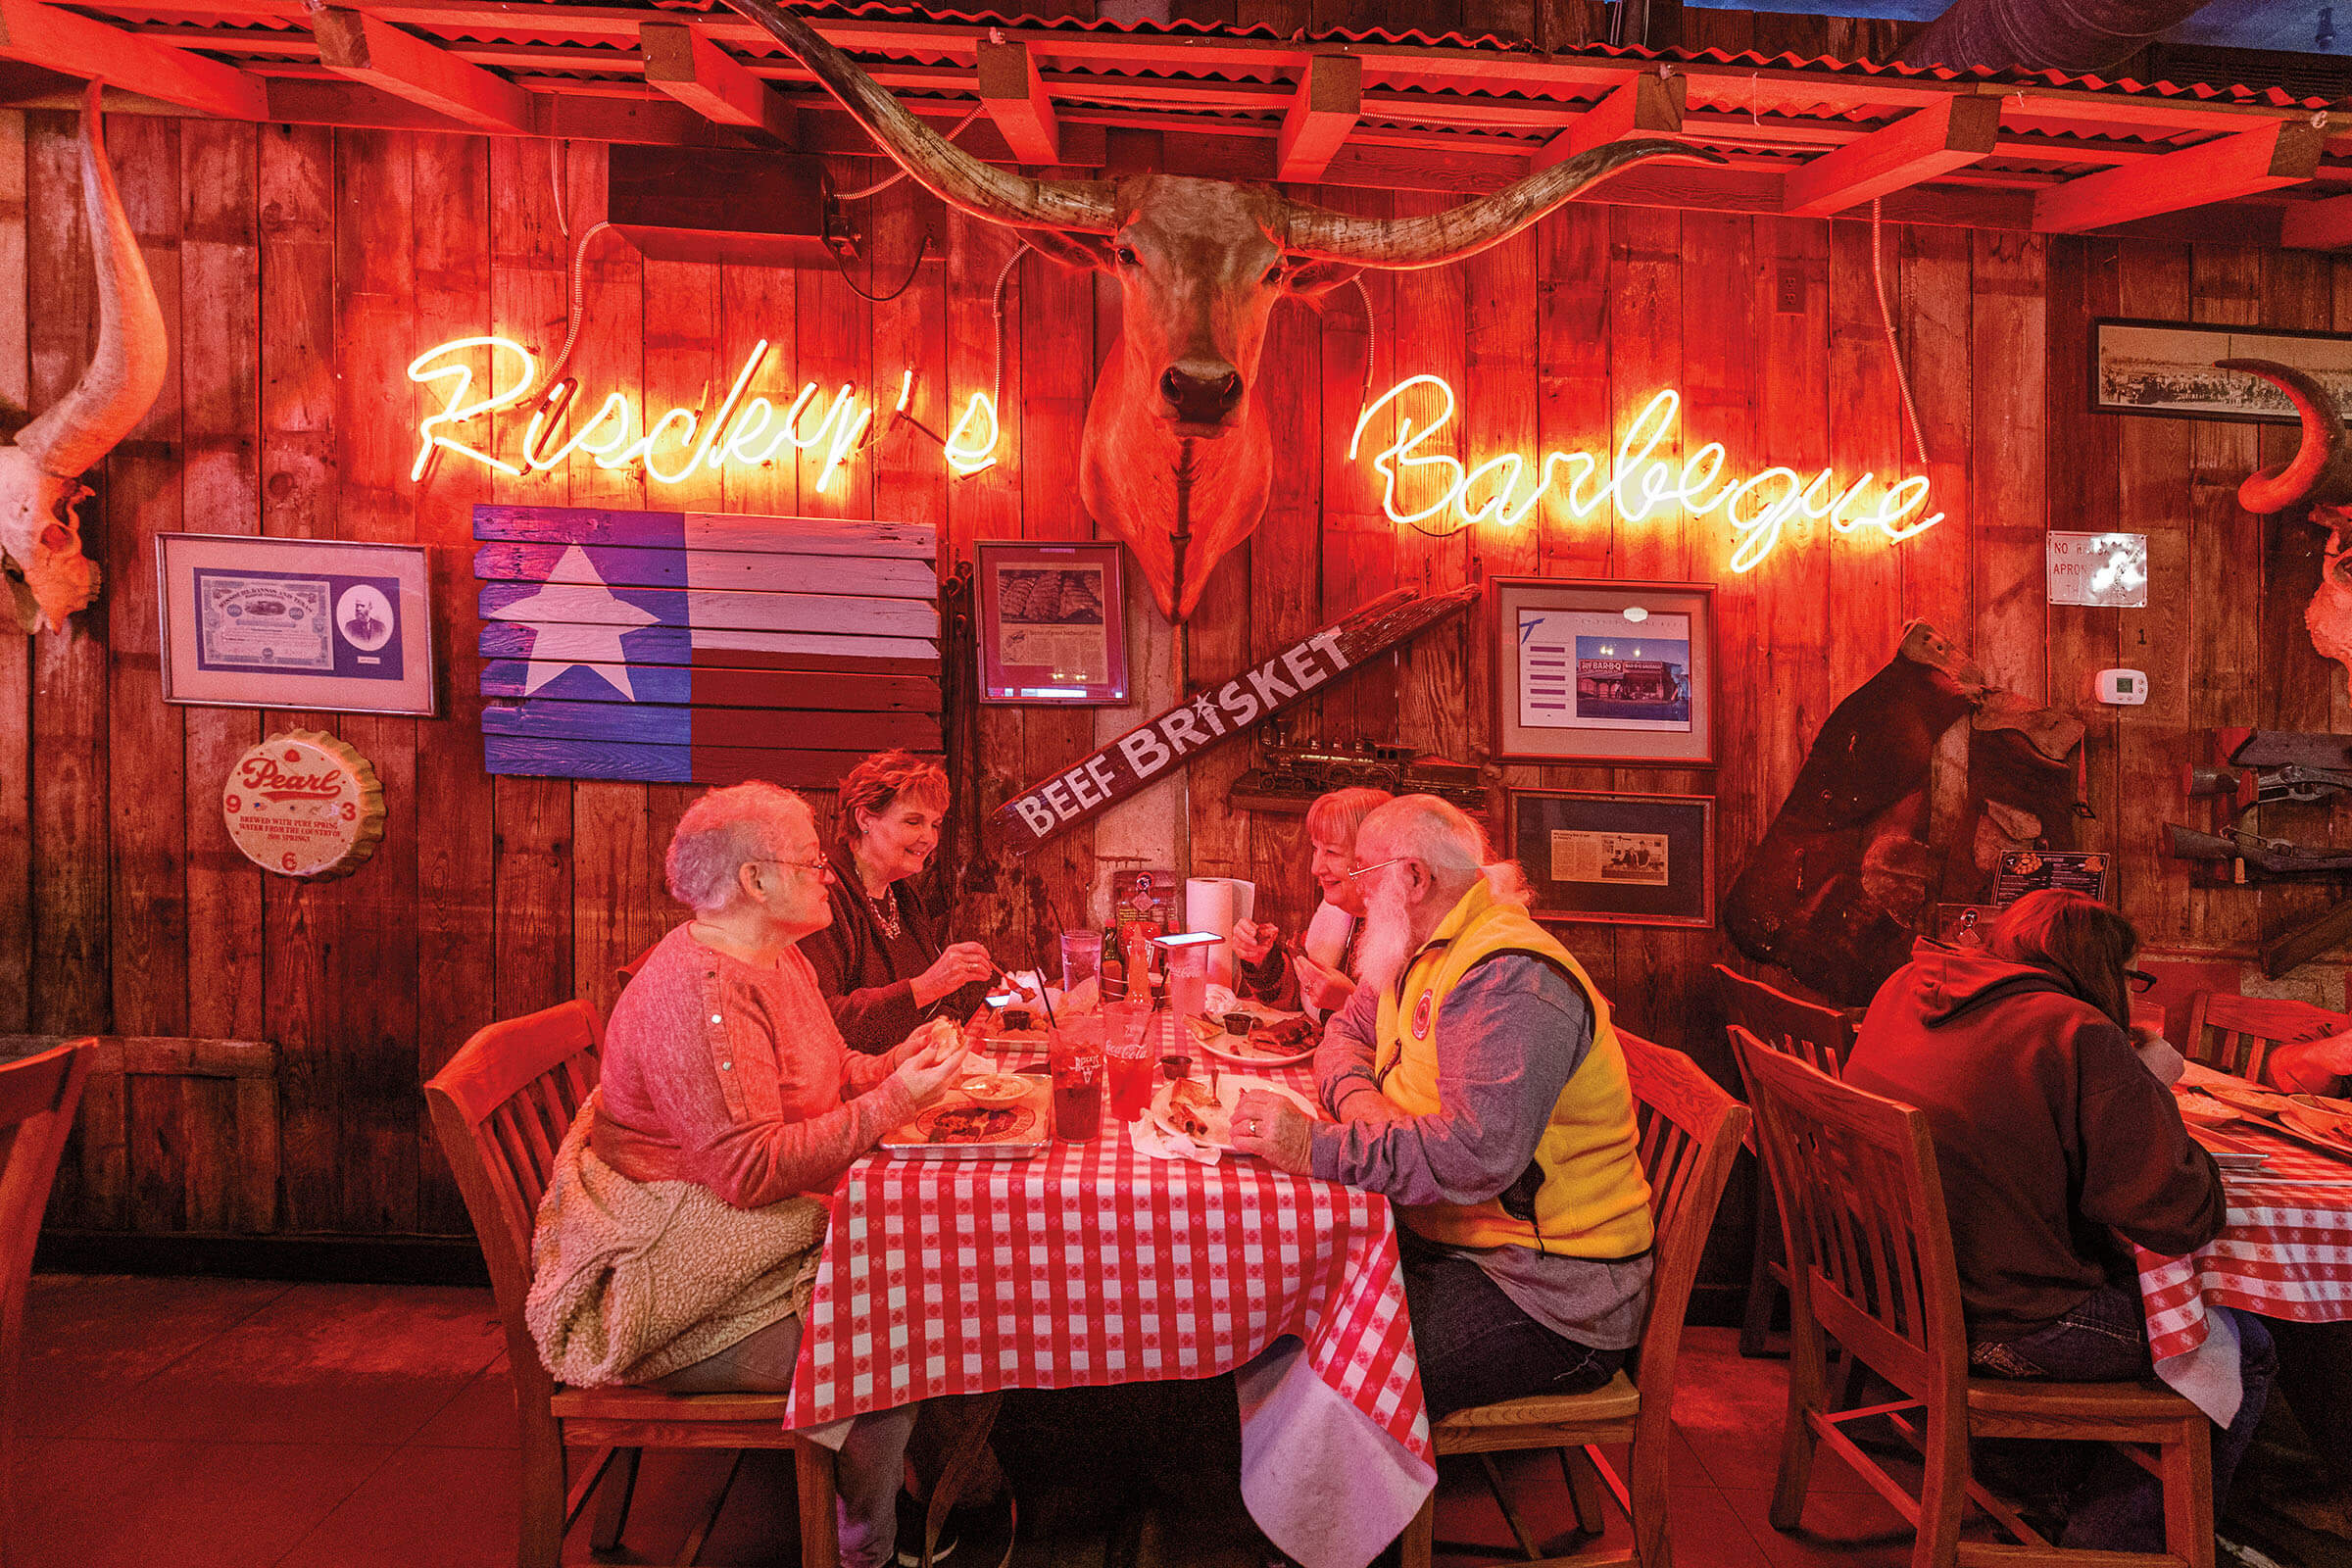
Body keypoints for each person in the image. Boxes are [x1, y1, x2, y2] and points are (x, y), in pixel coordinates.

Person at [525, 781, 972, 1568]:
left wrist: (893, 1064)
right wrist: (896, 1100)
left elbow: (832, 1071)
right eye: (810, 861)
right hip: (666, 1284)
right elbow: (750, 1171)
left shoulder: (776, 956)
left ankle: (919, 1496)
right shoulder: (703, 994)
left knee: (934, 1283)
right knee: (902, 1341)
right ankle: (869, 1548)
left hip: (733, 1242)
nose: (828, 873)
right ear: (754, 881)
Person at [1842, 890, 2277, 1554]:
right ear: (2104, 970)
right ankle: (2120, 1545)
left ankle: (2049, 1491)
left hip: (1891, 1294)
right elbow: (2174, 1215)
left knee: (2136, 1288)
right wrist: (2148, 1085)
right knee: (2240, 1345)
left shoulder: (1909, 984)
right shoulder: (2077, 1032)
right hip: (2004, 1324)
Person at [1229, 795, 1655, 1419]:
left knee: (1312, 1372)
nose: (1355, 892)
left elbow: (1472, 1159)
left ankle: (1288, 1510)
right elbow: (1342, 1035)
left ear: (1415, 877)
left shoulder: (1507, 977)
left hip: (1547, 1293)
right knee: (1268, 1314)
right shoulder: (1418, 943)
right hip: (1449, 1239)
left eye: (1364, 877)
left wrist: (1309, 1145)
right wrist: (1366, 1106)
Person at [808, 750, 997, 1053]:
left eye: (935, 825)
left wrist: (964, 981)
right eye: (913, 822)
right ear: (865, 818)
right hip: (852, 1086)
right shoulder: (824, 894)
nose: (929, 838)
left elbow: (939, 1008)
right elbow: (819, 1019)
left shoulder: (903, 895)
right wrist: (925, 988)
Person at [1226, 786, 1392, 1019]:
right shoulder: (1340, 913)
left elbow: (1418, 1043)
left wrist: (1348, 1003)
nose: (1316, 868)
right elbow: (1299, 999)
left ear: (1373, 858)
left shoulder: (1409, 937)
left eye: (1332, 852)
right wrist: (1262, 960)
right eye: (1316, 849)